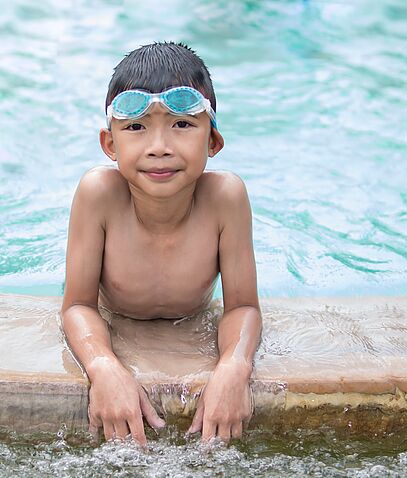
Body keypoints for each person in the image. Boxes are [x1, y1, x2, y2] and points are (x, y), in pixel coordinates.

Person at [60, 41, 262, 447]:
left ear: (213, 142)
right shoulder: (99, 194)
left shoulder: (225, 199)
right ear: (110, 144)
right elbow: (78, 305)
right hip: (115, 317)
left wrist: (234, 366)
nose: (159, 146)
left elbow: (243, 307)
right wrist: (102, 366)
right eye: (136, 127)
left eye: (182, 124)